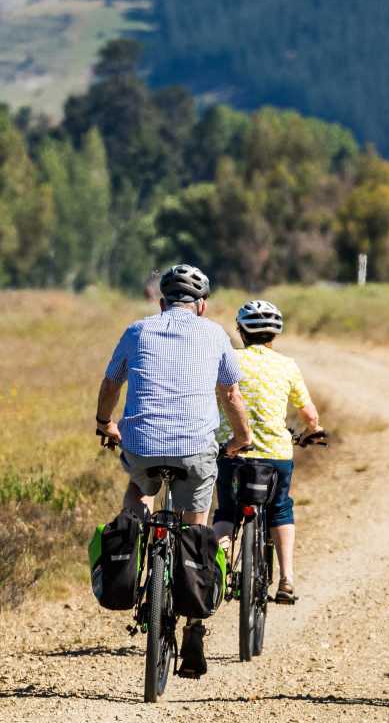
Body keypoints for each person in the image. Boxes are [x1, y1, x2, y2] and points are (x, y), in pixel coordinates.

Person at [95, 263, 253, 680]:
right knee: (195, 527)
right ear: (201, 306)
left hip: (142, 447)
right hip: (195, 451)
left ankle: (133, 527)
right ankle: (194, 627)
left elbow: (112, 383)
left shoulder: (137, 331)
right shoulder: (216, 333)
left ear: (161, 303)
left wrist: (104, 423)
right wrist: (241, 438)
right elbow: (232, 394)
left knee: (139, 489)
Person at [213, 299, 322, 605]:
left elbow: (216, 398)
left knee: (226, 512)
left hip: (234, 451)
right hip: (275, 455)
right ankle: (287, 579)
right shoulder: (287, 365)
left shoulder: (230, 359)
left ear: (241, 332)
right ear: (275, 335)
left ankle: (216, 570)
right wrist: (312, 432)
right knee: (280, 509)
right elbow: (310, 415)